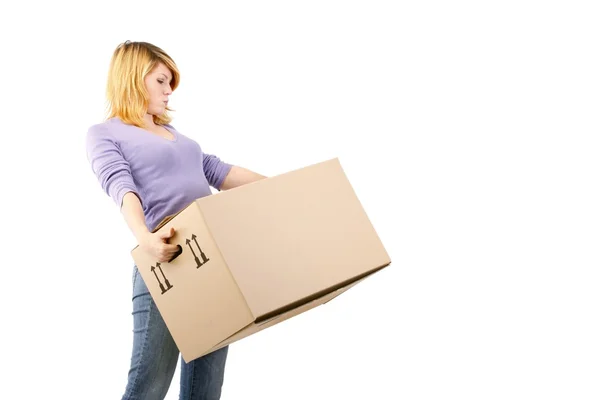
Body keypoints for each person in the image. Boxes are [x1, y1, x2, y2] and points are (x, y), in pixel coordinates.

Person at [85, 40, 267, 400]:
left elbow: (219, 171)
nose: (169, 92)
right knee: (149, 387)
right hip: (165, 260)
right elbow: (122, 189)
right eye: (162, 81)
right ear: (134, 79)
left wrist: (288, 188)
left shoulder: (177, 137)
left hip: (212, 262)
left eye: (171, 84)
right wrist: (145, 238)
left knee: (205, 390)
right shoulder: (105, 134)